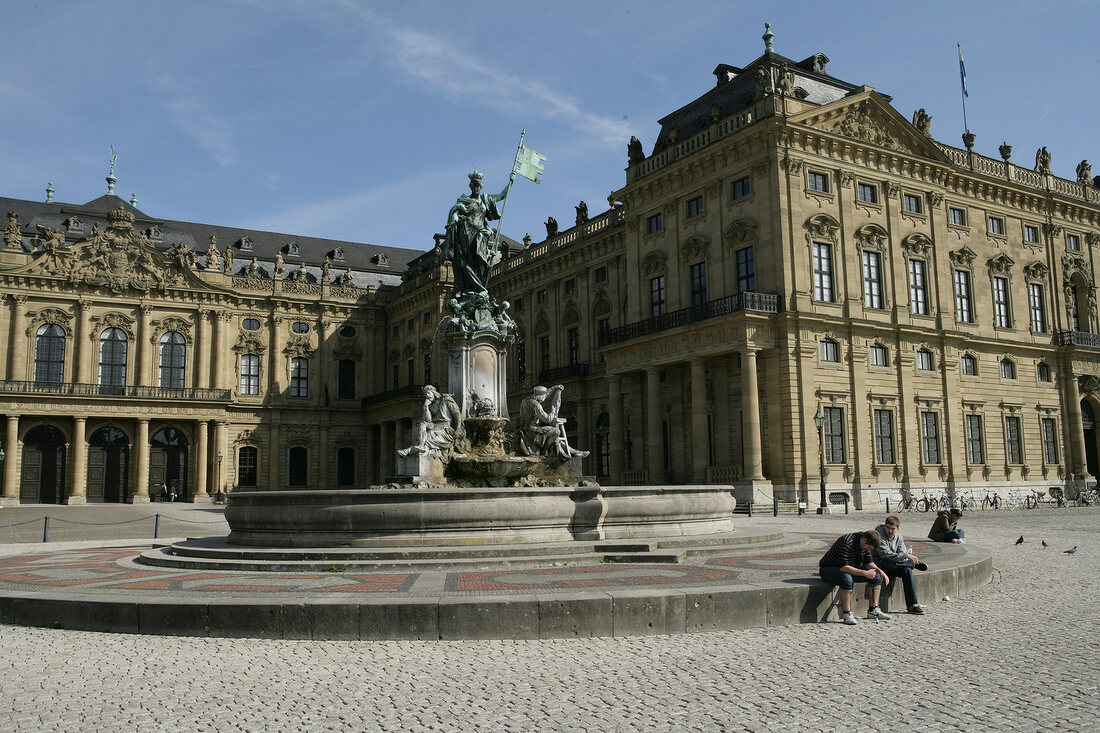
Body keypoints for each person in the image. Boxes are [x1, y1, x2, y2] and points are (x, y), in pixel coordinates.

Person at [442, 171, 511, 298]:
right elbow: (455, 211)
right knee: (467, 261)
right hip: (466, 233)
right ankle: (470, 288)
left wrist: (510, 182)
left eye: (478, 185)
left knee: (480, 260)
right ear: (470, 186)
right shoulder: (465, 200)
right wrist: (455, 219)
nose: (476, 187)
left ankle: (478, 287)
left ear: (481, 186)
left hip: (481, 235)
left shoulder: (485, 199)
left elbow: (502, 196)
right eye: (474, 185)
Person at [819, 530, 892, 625]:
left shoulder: (866, 545)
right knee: (847, 579)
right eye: (868, 547)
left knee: (876, 577)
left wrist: (881, 572)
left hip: (849, 567)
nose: (868, 550)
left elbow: (869, 563)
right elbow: (844, 567)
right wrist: (865, 573)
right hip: (830, 568)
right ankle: (847, 613)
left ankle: (873, 609)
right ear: (864, 540)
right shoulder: (847, 542)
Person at [873, 515, 928, 615]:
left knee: (907, 570)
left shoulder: (899, 536)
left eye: (892, 529)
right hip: (880, 563)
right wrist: (905, 556)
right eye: (887, 527)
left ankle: (912, 605)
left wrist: (903, 557)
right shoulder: (879, 535)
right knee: (899, 563)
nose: (889, 531)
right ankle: (912, 564)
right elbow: (885, 553)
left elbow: (902, 550)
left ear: (897, 529)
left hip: (895, 563)